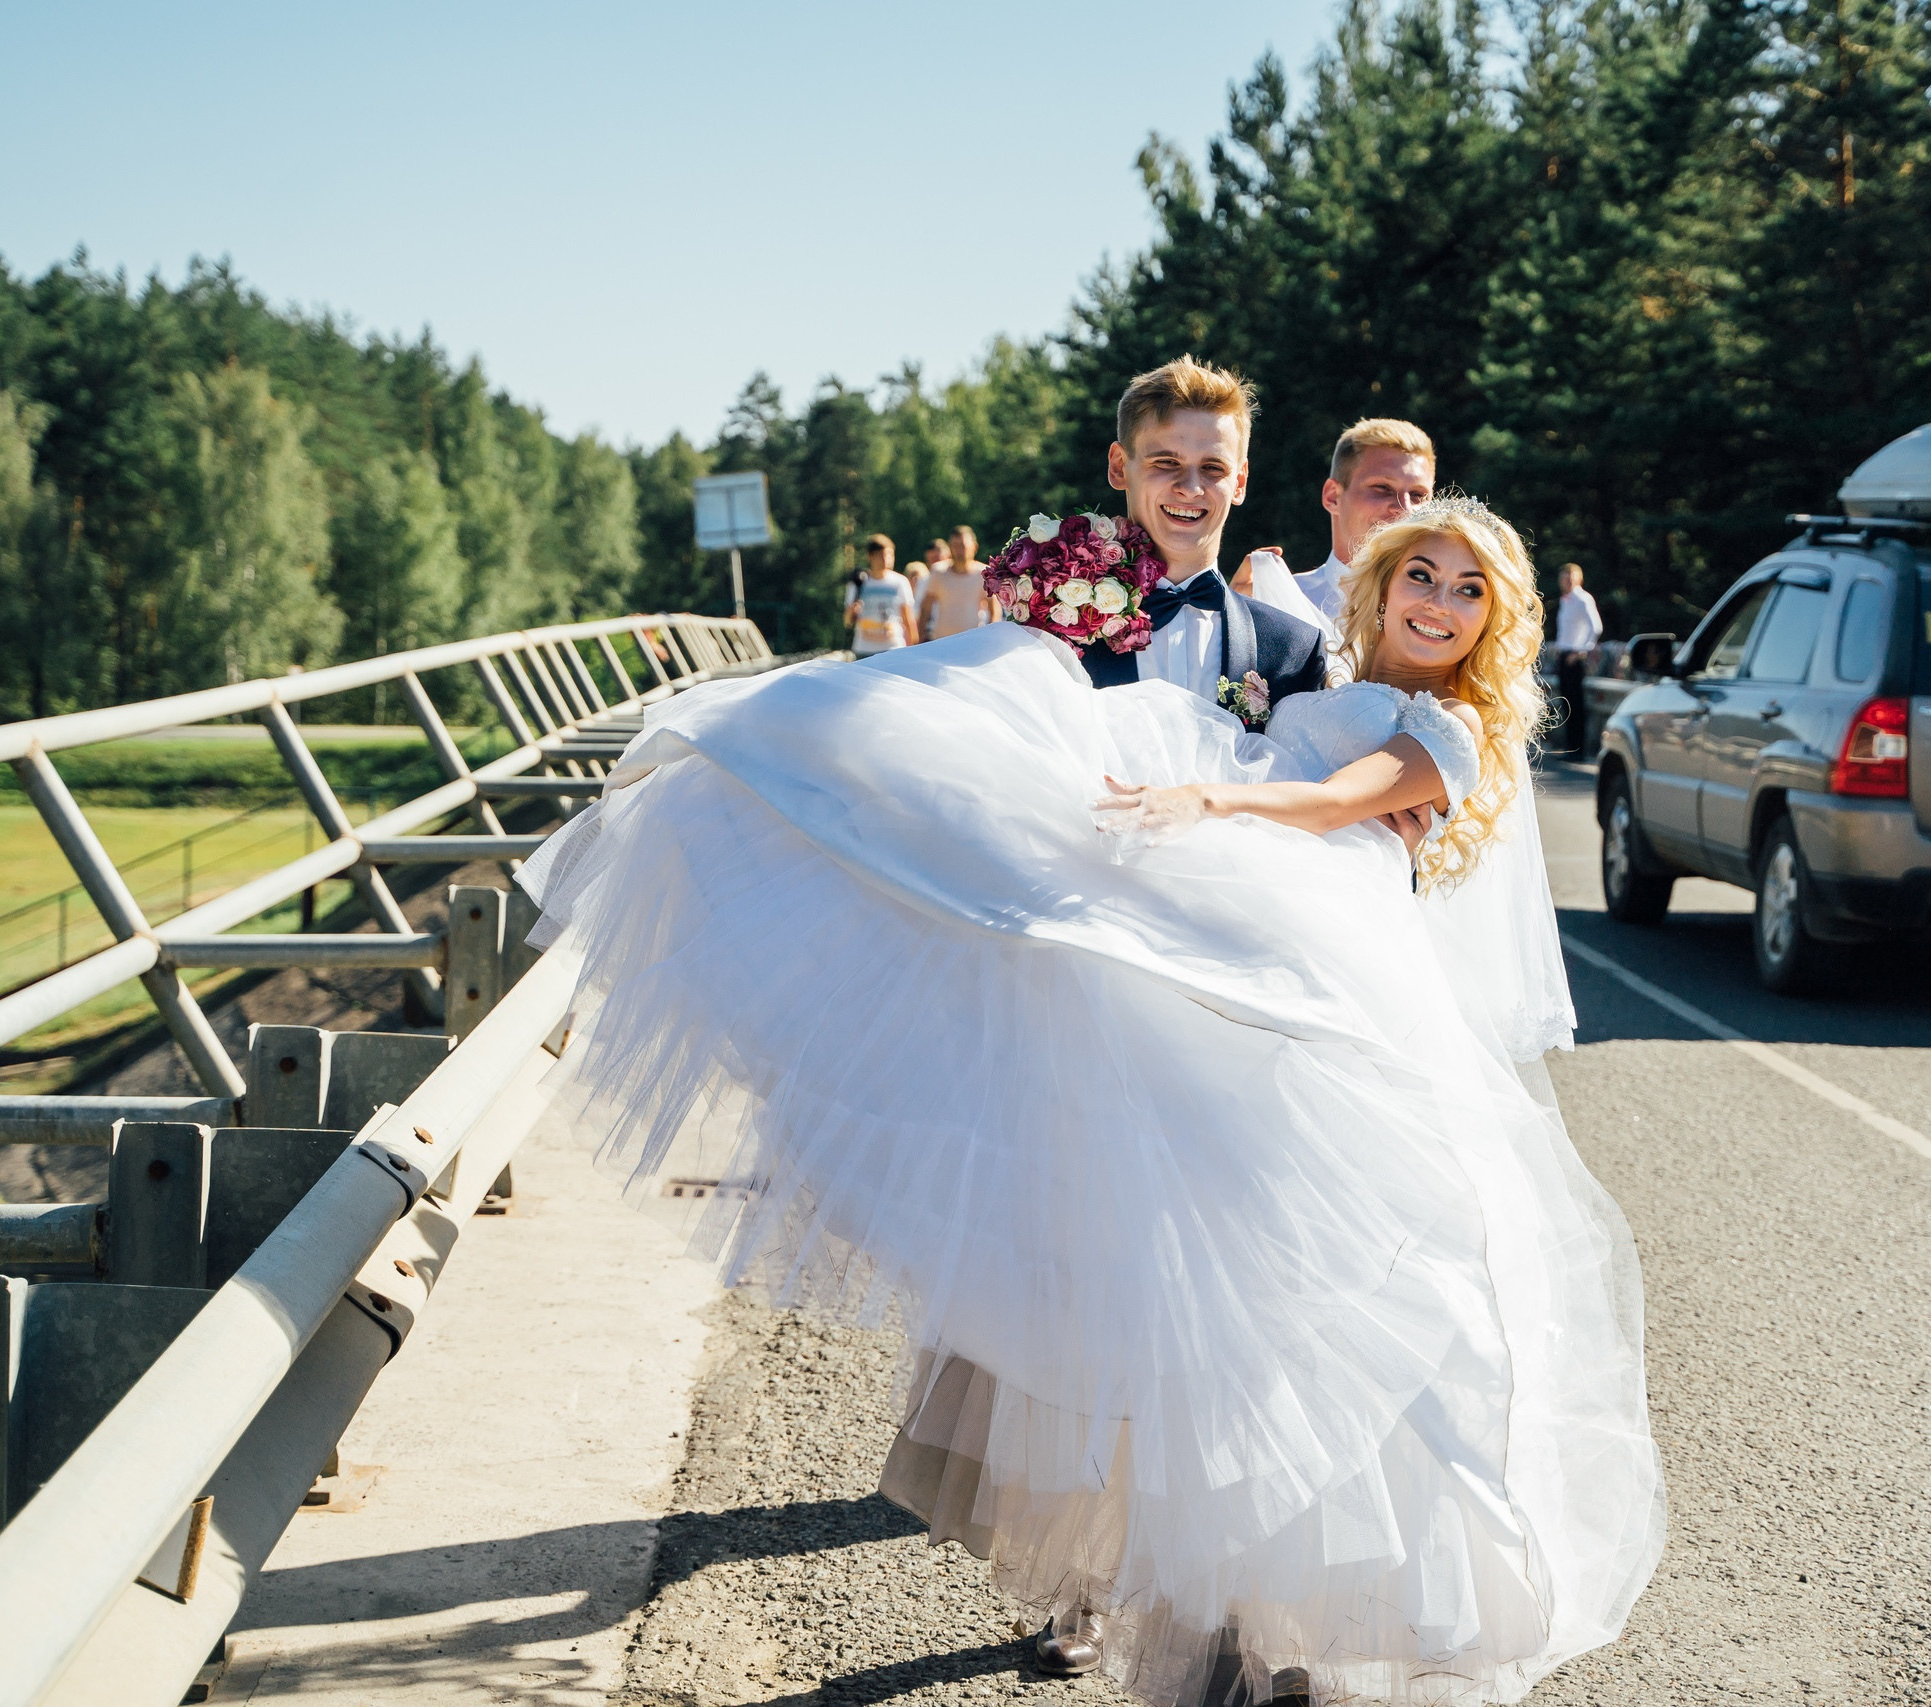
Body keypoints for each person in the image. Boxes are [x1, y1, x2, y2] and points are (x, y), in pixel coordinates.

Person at [515, 480, 1663, 1707]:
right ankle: (1214, 1621)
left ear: (1498, 624)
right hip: (1235, 977)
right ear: (1380, 586)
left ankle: (1267, 1630)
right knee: (1180, 1286)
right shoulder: (1316, 680)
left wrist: (1216, 797)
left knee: (1290, 1316)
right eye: (1422, 576)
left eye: (1469, 590)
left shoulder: (1445, 732)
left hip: (1306, 987)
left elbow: (1335, 802)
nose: (1439, 603)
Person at [1088, 357, 1328, 713]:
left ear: (1240, 482)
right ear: (1119, 466)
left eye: (1213, 467)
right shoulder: (1055, 625)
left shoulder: (1295, 648)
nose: (1190, 487)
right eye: (1166, 462)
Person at [1294, 418, 1437, 625]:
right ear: (1332, 496)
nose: (1404, 508)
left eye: (1417, 495)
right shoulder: (1284, 600)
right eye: (1383, 488)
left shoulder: (1442, 614)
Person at [1552, 563, 1604, 756]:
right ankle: (1569, 746)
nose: (1568, 579)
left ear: (1579, 578)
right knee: (1566, 703)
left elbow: (1596, 627)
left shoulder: (1583, 599)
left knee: (1576, 705)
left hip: (1575, 657)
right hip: (1564, 656)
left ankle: (1578, 750)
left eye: (1572, 576)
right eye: (1565, 576)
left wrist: (1581, 651)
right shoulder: (1565, 601)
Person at [847, 534, 918, 654]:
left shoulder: (900, 582)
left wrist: (914, 647)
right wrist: (852, 612)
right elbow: (847, 621)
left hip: (893, 648)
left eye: (890, 555)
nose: (887, 559)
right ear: (870, 556)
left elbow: (908, 617)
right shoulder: (859, 583)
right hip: (864, 649)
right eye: (882, 555)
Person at [919, 533, 996, 641]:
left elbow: (994, 611)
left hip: (973, 641)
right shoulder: (938, 572)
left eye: (963, 546)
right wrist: (921, 636)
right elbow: (926, 607)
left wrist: (990, 638)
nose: (959, 550)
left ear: (974, 547)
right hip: (942, 642)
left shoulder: (984, 574)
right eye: (955, 546)